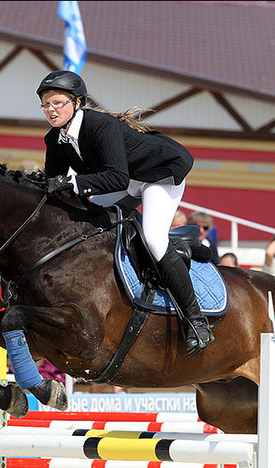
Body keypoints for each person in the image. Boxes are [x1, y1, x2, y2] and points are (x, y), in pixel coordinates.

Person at [37, 69, 211, 356]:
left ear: (77, 103)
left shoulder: (100, 126)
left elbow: (115, 178)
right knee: (87, 222)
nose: (51, 110)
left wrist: (72, 182)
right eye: (46, 104)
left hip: (159, 173)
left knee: (155, 239)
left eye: (57, 103)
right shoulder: (53, 140)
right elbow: (52, 186)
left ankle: (195, 320)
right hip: (126, 180)